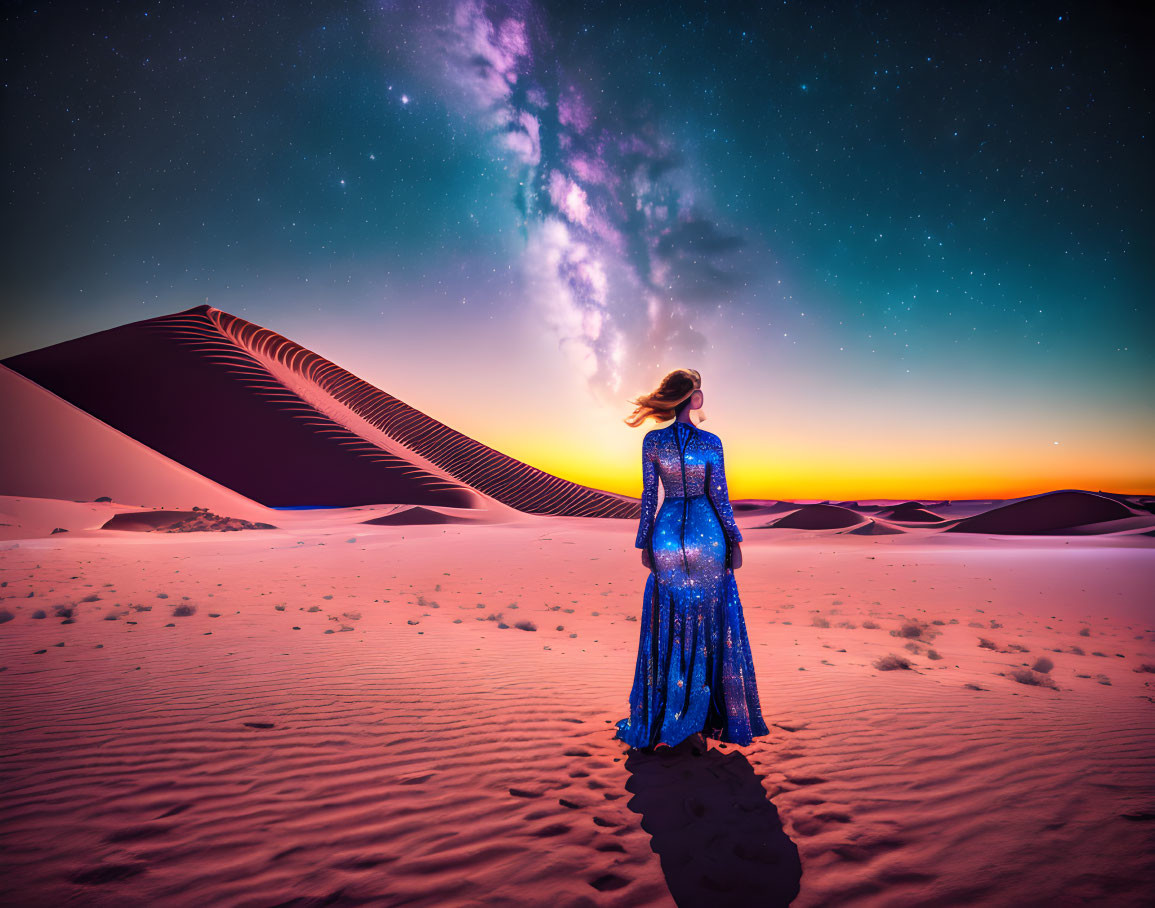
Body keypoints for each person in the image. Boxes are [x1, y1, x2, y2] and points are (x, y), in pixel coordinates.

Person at [614, 369, 769, 753]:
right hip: (707, 531)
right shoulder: (711, 442)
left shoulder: (653, 441)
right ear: (694, 398)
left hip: (667, 531)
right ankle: (708, 714)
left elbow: (649, 496)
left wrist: (644, 542)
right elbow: (720, 497)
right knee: (710, 614)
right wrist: (734, 538)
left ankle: (665, 712)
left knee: (669, 616)